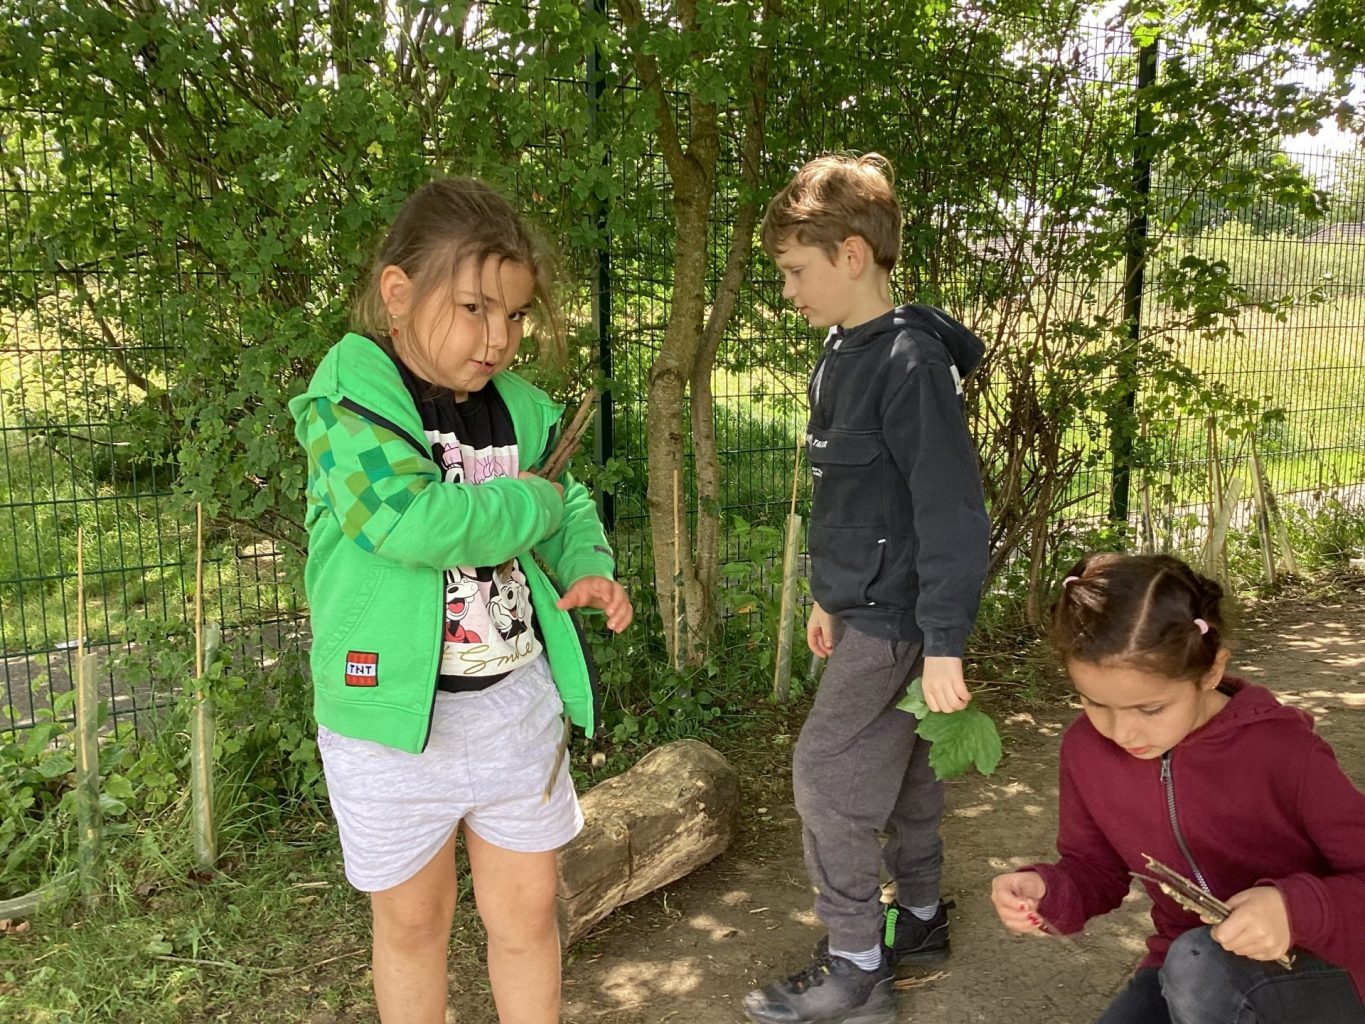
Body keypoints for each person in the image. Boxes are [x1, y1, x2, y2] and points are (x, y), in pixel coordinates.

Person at [289, 177, 632, 1024]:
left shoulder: (521, 410)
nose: (499, 337)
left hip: (513, 707)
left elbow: (563, 503)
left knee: (527, 917)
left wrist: (584, 560)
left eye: (514, 315)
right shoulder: (347, 406)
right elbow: (406, 521)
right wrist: (534, 506)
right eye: (475, 309)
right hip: (387, 723)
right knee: (413, 925)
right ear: (397, 293)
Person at [743, 153, 991, 1024]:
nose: (788, 291)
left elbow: (950, 511)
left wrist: (944, 642)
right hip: (863, 606)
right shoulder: (839, 353)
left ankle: (856, 968)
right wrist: (827, 594)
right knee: (907, 760)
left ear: (851, 255)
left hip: (897, 618)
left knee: (823, 774)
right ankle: (915, 920)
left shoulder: (908, 363)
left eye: (794, 271)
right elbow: (851, 499)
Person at [991, 552, 1365, 1024]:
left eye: (1150, 710)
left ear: (1211, 672)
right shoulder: (1085, 750)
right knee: (1192, 962)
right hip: (1186, 967)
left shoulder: (1285, 751)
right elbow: (1094, 868)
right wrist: (1048, 889)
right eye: (1094, 703)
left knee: (1196, 963)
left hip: (1317, 964)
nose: (1122, 733)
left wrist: (1294, 910)